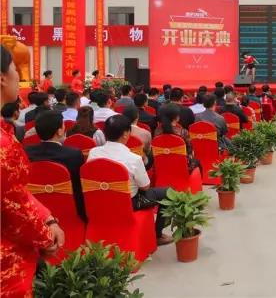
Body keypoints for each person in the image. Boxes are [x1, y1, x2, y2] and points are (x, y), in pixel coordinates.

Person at [1, 44, 64, 296]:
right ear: (2, 78)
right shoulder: (3, 144)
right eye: (16, 69)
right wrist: (46, 237)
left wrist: (46, 217)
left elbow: (14, 192)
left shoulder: (9, 133)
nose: (19, 76)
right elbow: (13, 206)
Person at [87, 115, 172, 246]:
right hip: (127, 203)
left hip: (99, 200)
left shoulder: (93, 153)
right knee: (168, 192)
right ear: (126, 134)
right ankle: (158, 235)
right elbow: (145, 186)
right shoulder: (133, 159)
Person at [25, 110, 86, 220]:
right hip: (69, 211)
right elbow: (79, 187)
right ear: (59, 131)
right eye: (63, 125)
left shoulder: (26, 152)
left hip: (35, 210)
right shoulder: (73, 154)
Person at [154, 104, 201, 173]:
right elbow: (190, 151)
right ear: (176, 117)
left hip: (162, 167)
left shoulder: (157, 131)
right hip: (181, 167)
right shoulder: (183, 132)